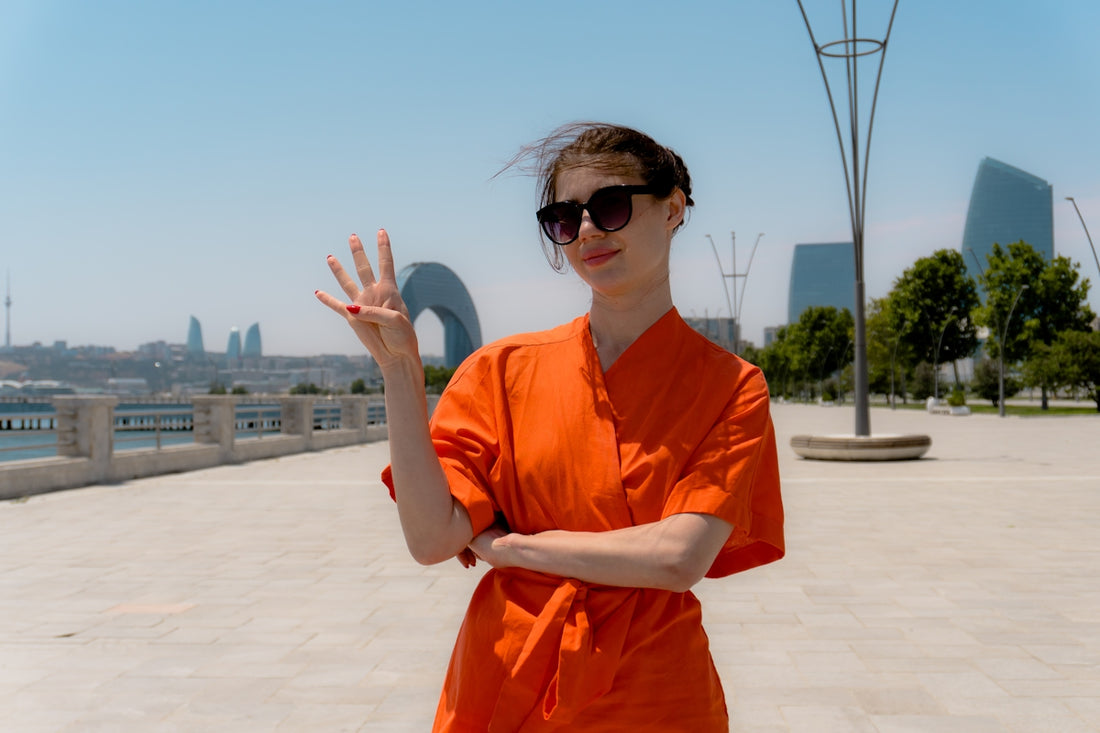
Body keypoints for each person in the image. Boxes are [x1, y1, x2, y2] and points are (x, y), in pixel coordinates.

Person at [316, 122, 784, 732]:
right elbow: (433, 538)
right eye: (565, 218)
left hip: (654, 692)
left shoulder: (732, 386)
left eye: (610, 206)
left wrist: (512, 549)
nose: (587, 230)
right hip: (506, 672)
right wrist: (401, 373)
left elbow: (677, 557)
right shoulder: (500, 370)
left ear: (672, 209)